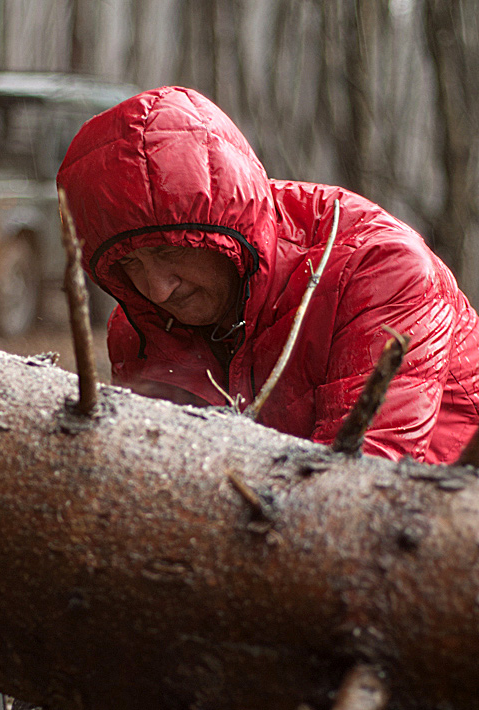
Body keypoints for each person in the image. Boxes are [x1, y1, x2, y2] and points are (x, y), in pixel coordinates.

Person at [57, 85, 479, 464]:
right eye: (131, 264)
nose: (158, 289)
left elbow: (361, 484)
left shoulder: (376, 272)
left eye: (170, 251)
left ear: (223, 233)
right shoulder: (140, 327)